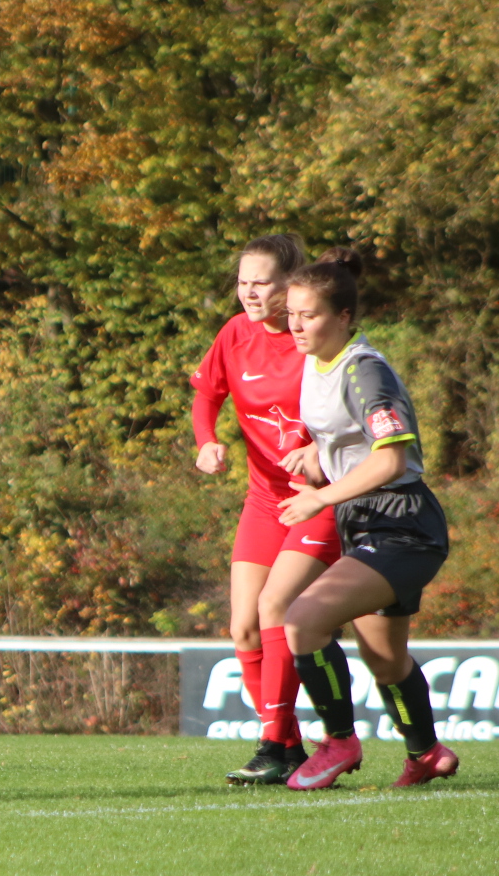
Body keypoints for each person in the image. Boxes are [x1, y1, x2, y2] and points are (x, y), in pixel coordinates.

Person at [275, 249, 455, 791]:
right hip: (369, 520)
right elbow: (350, 440)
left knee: (303, 618)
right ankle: (426, 753)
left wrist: (320, 497)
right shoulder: (317, 360)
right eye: (292, 313)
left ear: (345, 317)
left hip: (401, 523)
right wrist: (320, 457)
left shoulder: (364, 371)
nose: (297, 325)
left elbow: (392, 458)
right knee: (385, 657)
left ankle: (338, 742)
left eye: (310, 315)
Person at [189, 234, 341, 785]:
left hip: (319, 500)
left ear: (290, 283)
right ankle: (289, 746)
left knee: (278, 609)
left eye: (262, 282)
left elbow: (357, 419)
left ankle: (276, 746)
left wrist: (322, 456)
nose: (250, 293)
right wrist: (206, 441)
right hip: (264, 500)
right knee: (243, 630)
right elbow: (207, 393)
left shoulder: (318, 340)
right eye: (242, 282)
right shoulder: (234, 333)